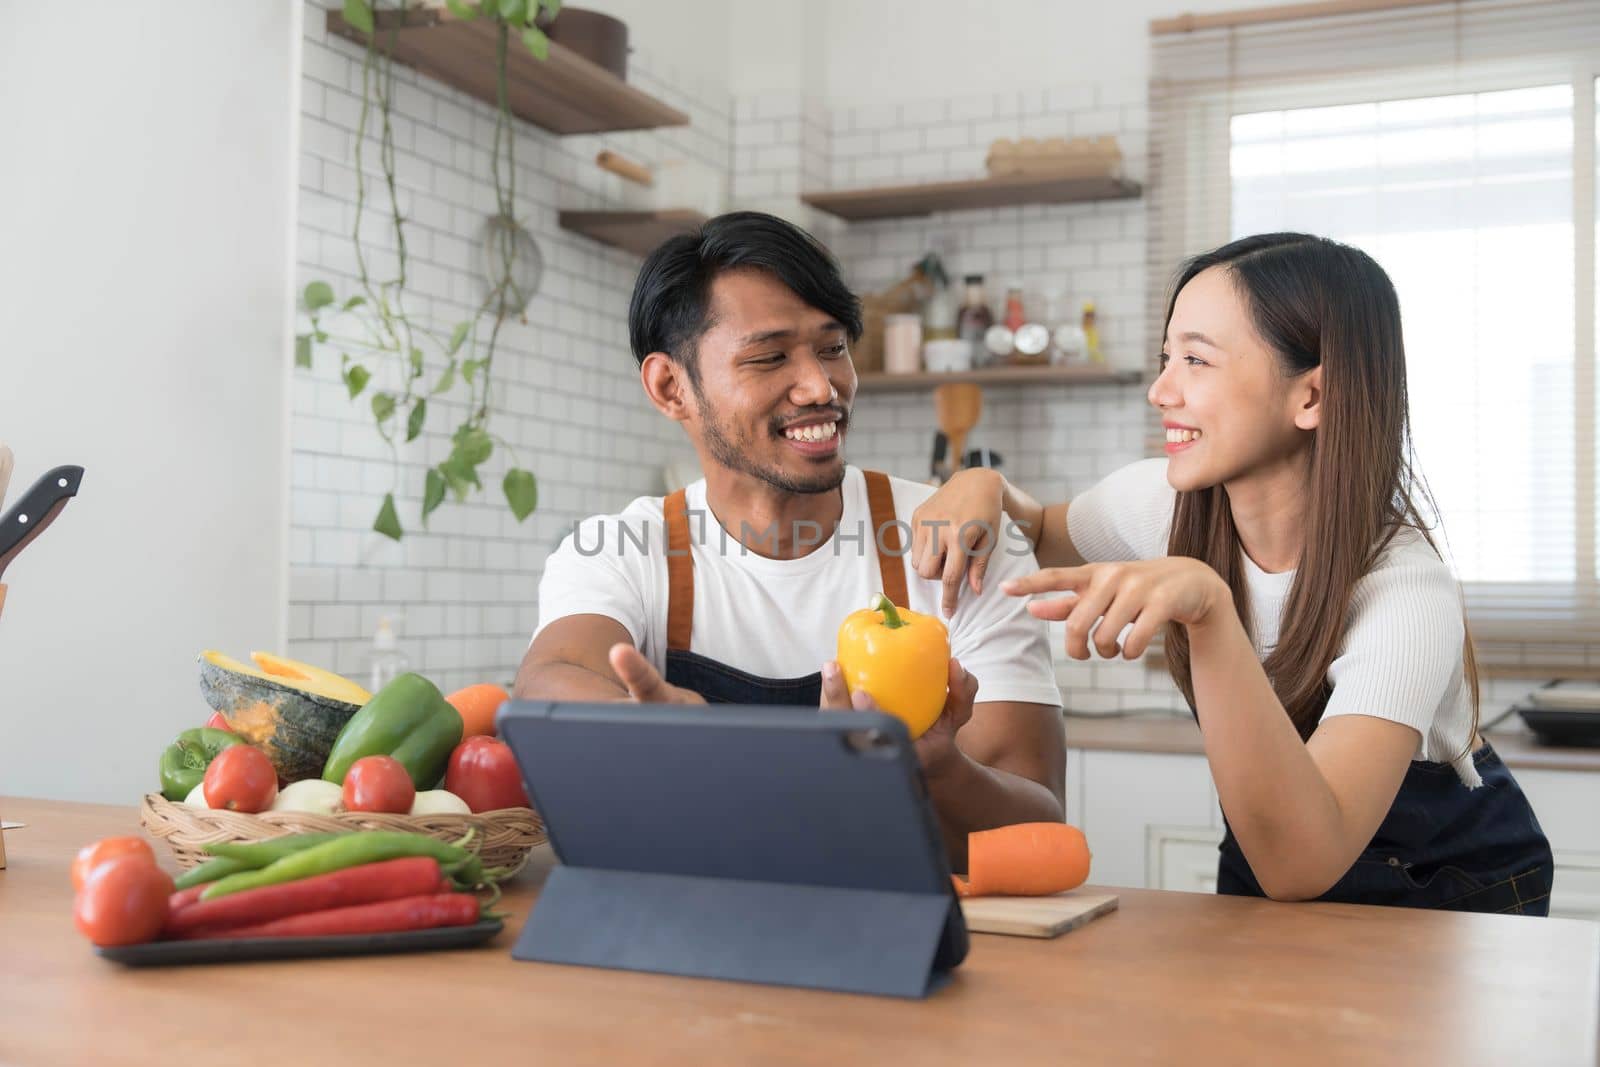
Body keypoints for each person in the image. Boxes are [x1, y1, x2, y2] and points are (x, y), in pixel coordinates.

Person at [909, 233, 1552, 913]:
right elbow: (1037, 531)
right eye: (1166, 358)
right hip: (1268, 850)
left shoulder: (1404, 592)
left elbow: (1302, 861)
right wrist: (981, 482)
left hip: (1451, 885)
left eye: (1195, 359)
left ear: (1312, 397)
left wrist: (1209, 608)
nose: (1161, 390)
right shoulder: (1164, 504)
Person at [516, 211, 1066, 868]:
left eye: (832, 348)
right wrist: (677, 738)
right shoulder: (620, 547)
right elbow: (551, 679)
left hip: (921, 948)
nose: (821, 386)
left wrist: (939, 768)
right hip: (695, 940)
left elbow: (1039, 830)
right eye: (770, 356)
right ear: (671, 387)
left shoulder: (959, 542)